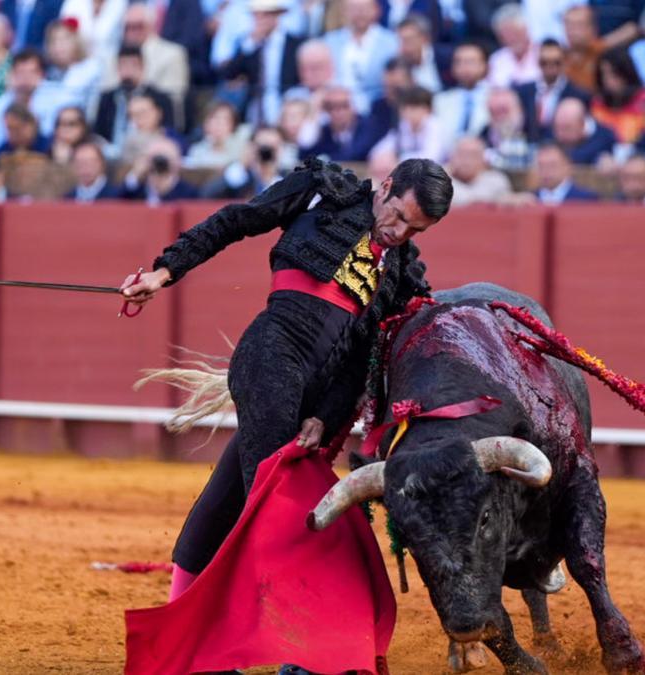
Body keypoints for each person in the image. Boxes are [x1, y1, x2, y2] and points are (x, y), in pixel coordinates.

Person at [117, 157, 453, 606]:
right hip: (270, 357)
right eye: (398, 216)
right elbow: (234, 221)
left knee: (230, 497)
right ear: (387, 185)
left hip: (314, 395)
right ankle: (292, 641)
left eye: (416, 230)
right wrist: (164, 271)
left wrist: (326, 417)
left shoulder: (401, 273)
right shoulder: (324, 193)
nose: (400, 233)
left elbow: (360, 361)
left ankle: (185, 617)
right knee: (276, 504)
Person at [324, 0, 400, 111]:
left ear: (376, 10)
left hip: (378, 106)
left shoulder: (392, 41)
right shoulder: (329, 41)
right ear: (344, 11)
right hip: (337, 105)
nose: (360, 13)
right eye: (354, 8)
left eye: (364, 8)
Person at [513, 39, 589, 140]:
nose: (550, 67)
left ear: (565, 62)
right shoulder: (522, 92)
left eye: (556, 63)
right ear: (538, 62)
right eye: (544, 63)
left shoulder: (579, 95)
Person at [299, 85, 375, 161]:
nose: (338, 112)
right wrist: (314, 111)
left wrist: (327, 159)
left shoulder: (368, 126)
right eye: (331, 107)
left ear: (353, 107)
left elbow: (357, 153)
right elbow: (304, 150)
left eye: (344, 105)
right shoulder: (325, 132)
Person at [591, 47, 645, 144]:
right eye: (603, 74)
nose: (607, 80)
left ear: (625, 73)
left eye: (613, 74)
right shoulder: (597, 102)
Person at [373, 86, 447, 162]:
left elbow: (432, 157)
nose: (407, 112)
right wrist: (385, 156)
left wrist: (398, 157)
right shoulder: (403, 125)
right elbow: (377, 151)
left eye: (413, 108)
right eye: (404, 108)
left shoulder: (435, 125)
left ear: (427, 109)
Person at [433, 42, 491, 137]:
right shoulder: (441, 100)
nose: (464, 67)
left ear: (485, 66)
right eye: (458, 62)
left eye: (471, 62)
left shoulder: (495, 97)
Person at [121, 137, 199, 204]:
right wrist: (135, 175)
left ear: (177, 162)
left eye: (164, 158)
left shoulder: (189, 193)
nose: (159, 164)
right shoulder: (136, 190)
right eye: (154, 158)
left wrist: (167, 188)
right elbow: (117, 202)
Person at [551, 96, 617, 165]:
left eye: (566, 128)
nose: (560, 134)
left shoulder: (606, 138)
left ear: (582, 124)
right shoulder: (549, 133)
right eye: (556, 127)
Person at [448, 135, 512, 204]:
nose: (466, 161)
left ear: (483, 160)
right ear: (452, 157)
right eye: (461, 154)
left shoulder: (496, 180)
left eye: (473, 155)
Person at [486, 3, 538, 89]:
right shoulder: (496, 60)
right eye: (506, 35)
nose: (511, 38)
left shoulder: (542, 53)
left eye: (514, 32)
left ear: (525, 30)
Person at [533, 141, 598, 203]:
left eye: (552, 165)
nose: (545, 171)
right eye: (541, 166)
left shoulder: (587, 200)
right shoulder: (530, 200)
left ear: (567, 166)